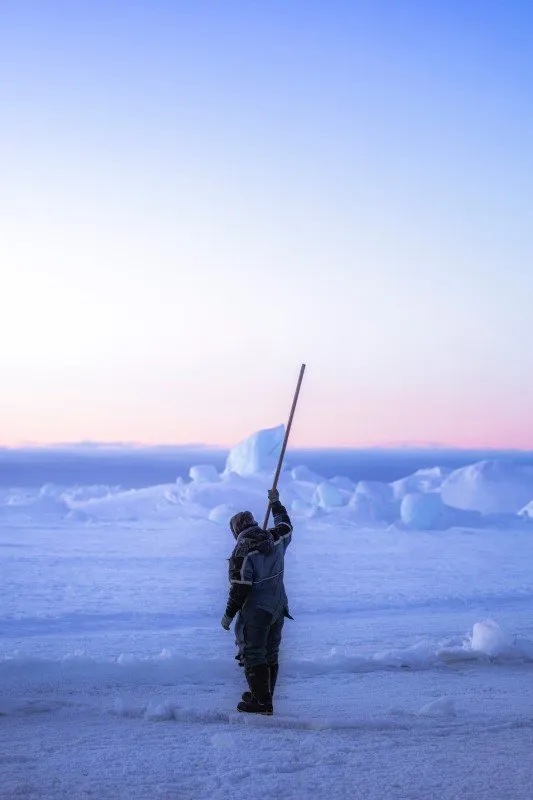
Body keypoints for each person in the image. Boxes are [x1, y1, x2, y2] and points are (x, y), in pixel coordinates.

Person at [221, 488, 293, 715]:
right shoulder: (276, 538)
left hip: (257, 611)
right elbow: (287, 526)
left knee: (253, 654)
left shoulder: (241, 553)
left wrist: (229, 615)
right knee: (271, 652)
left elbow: (240, 589)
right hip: (278, 606)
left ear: (236, 532)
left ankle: (261, 703)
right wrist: (276, 505)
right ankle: (263, 695)